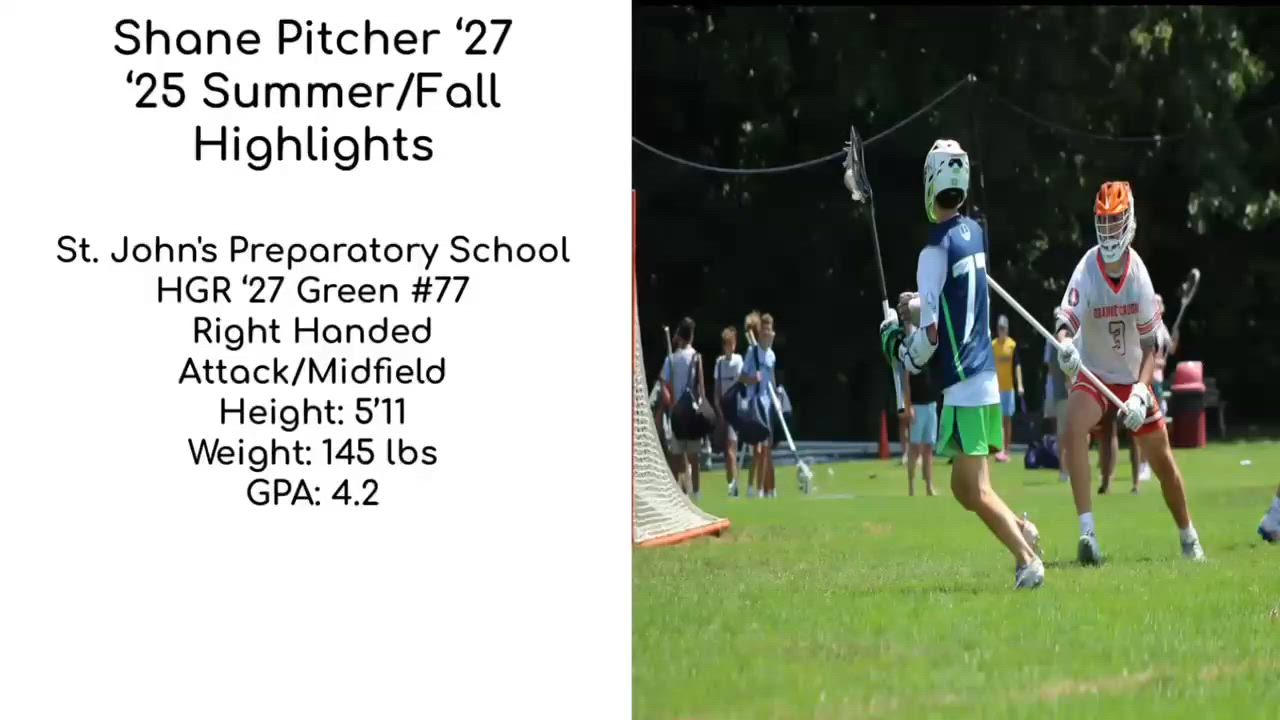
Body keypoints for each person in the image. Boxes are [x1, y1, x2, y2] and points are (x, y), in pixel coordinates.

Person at [880, 138, 1044, 590]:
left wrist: (898, 345)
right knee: (963, 487)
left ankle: (1027, 559)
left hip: (964, 380)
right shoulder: (973, 233)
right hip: (984, 375)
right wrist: (918, 304)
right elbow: (957, 300)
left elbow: (930, 341)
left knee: (975, 489)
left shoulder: (932, 252)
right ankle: (1022, 529)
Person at [1054, 181, 1205, 564]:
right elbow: (1066, 320)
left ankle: (1188, 535)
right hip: (1094, 374)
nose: (1108, 230)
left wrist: (1140, 392)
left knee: (1163, 462)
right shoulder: (1087, 268)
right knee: (1073, 425)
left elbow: (1151, 346)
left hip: (1132, 378)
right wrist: (1065, 346)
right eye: (1103, 221)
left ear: (1129, 221)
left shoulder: (1138, 273)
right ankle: (1088, 534)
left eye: (1115, 220)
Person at [660, 317, 706, 501]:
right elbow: (701, 388)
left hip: (677, 411)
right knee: (693, 456)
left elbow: (664, 384)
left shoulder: (671, 359)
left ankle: (677, 494)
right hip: (692, 411)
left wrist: (670, 401)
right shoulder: (696, 357)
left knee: (677, 456)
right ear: (692, 335)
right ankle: (696, 493)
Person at [899, 293, 938, 496]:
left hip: (931, 403)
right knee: (914, 448)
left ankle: (929, 486)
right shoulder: (911, 342)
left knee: (929, 448)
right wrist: (908, 405)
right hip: (918, 404)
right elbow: (906, 378)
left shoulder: (930, 338)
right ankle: (911, 487)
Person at [741, 312, 777, 499]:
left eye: (769, 330)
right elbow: (742, 377)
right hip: (754, 404)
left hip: (768, 405)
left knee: (766, 449)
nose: (766, 333)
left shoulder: (771, 355)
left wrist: (777, 397)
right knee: (757, 449)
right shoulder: (752, 352)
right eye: (764, 329)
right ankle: (750, 487)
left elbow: (772, 379)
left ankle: (762, 489)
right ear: (760, 331)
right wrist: (753, 379)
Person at [713, 326, 744, 497]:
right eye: (727, 344)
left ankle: (734, 486)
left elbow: (741, 385)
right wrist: (719, 411)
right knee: (727, 452)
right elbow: (717, 390)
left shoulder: (738, 361)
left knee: (732, 450)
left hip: (734, 410)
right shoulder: (719, 363)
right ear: (724, 346)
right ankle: (730, 484)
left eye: (732, 344)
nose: (730, 347)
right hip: (723, 411)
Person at [991, 314, 1024, 463]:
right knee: (996, 420)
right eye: (1000, 328)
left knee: (1007, 419)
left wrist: (1020, 384)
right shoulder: (993, 345)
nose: (1002, 331)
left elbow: (1017, 366)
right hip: (995, 389)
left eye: (1004, 328)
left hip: (1008, 388)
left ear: (1007, 329)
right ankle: (998, 449)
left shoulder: (1012, 345)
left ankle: (1007, 449)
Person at [1043, 338, 1070, 483]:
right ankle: (1066, 470)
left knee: (1063, 434)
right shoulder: (1063, 341)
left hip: (1060, 394)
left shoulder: (1051, 342)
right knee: (1066, 434)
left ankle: (1064, 470)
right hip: (1066, 394)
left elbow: (1051, 368)